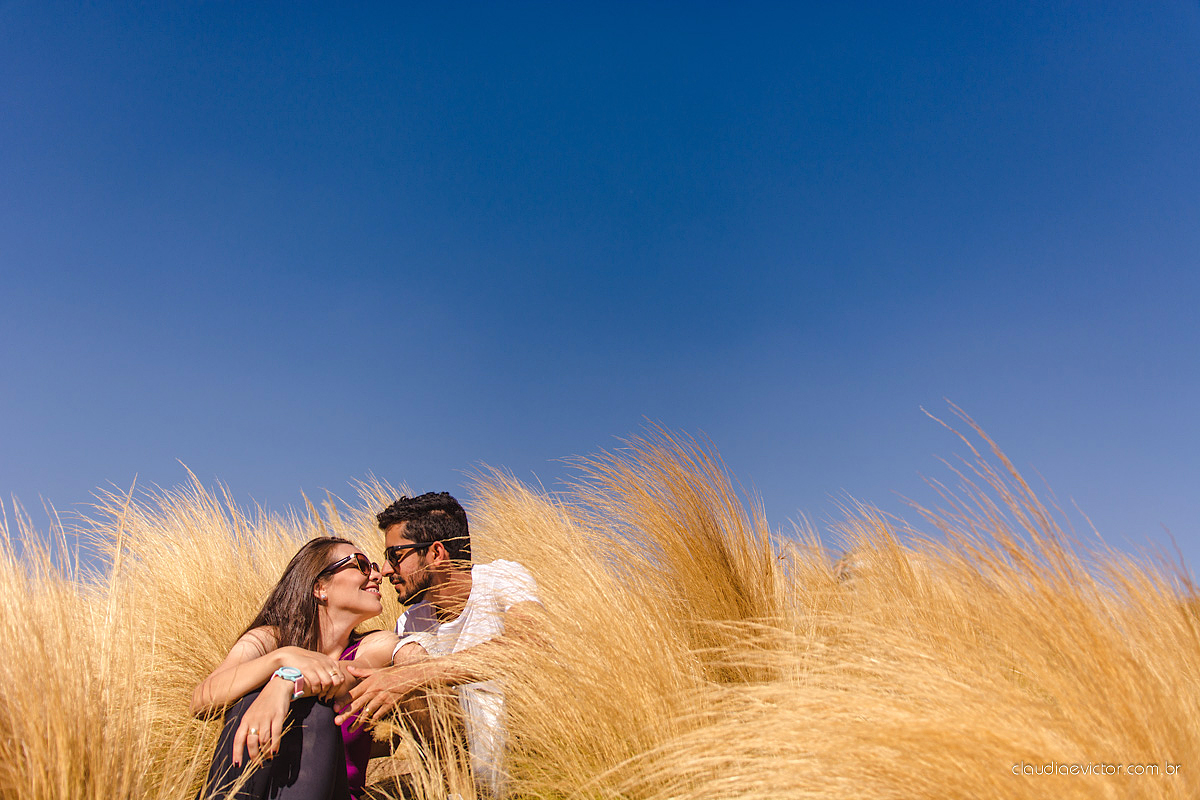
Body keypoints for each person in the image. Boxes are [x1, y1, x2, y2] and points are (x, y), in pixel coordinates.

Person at [335, 492, 542, 798]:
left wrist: (414, 675)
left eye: (395, 556)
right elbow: (409, 728)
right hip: (452, 779)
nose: (387, 570)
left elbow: (528, 645)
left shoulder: (502, 579)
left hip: (527, 769)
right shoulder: (409, 623)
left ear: (435, 553)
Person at [191, 537, 400, 800]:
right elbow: (202, 701)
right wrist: (280, 658)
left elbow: (342, 676)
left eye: (374, 567)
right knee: (248, 700)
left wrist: (284, 683)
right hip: (262, 789)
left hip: (334, 793)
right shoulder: (270, 640)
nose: (377, 575)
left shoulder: (377, 644)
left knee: (318, 711)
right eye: (362, 565)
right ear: (320, 587)